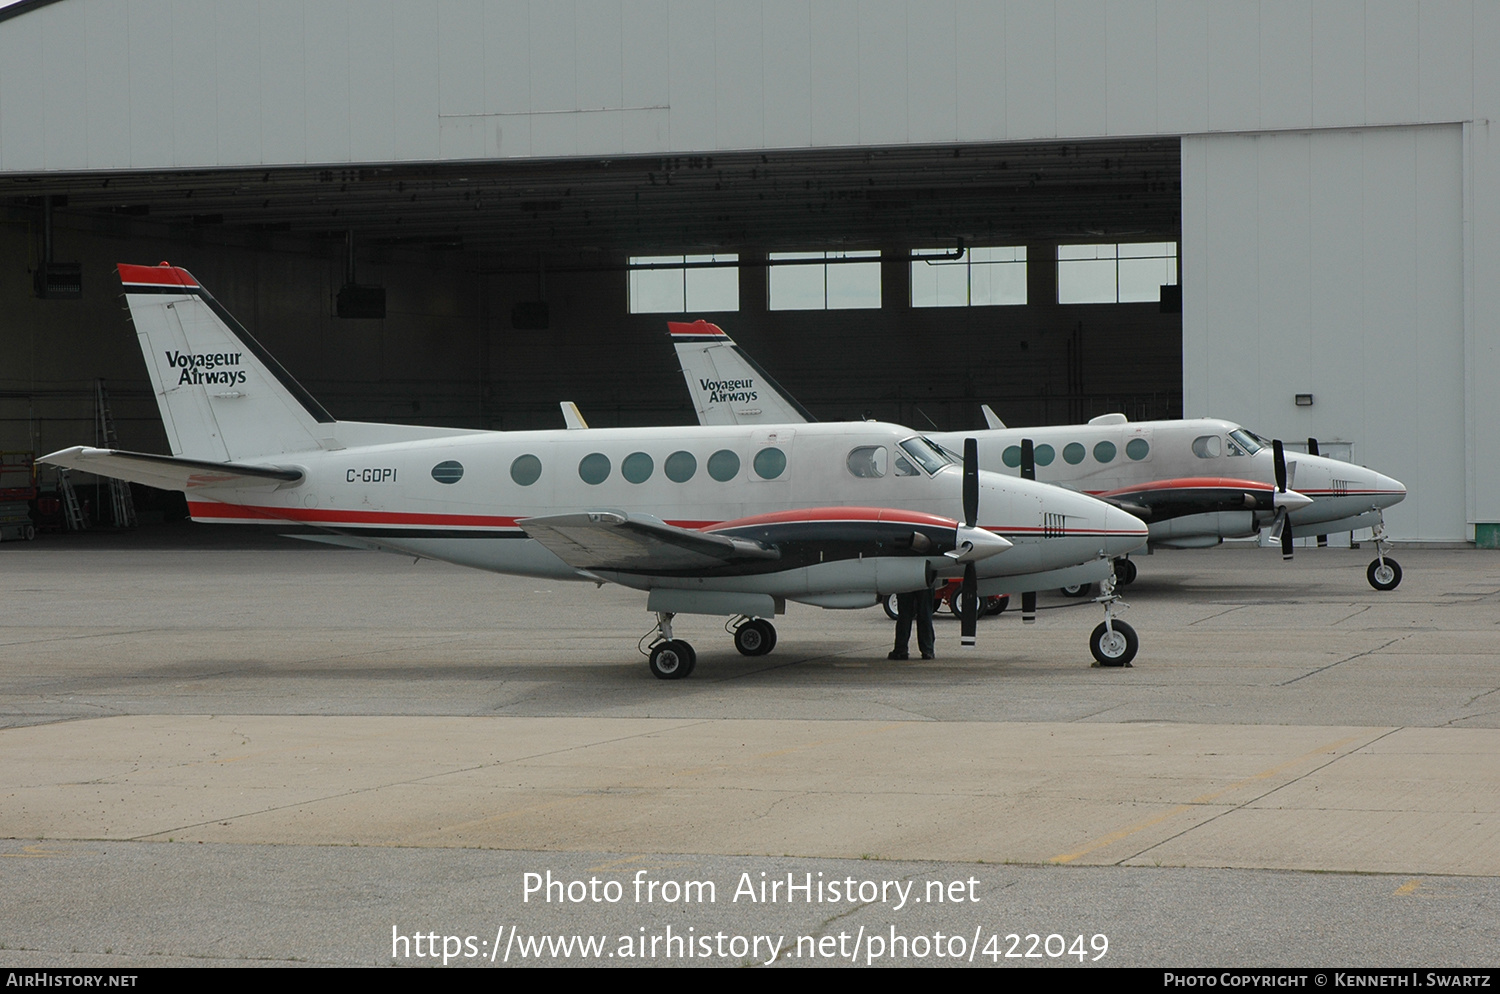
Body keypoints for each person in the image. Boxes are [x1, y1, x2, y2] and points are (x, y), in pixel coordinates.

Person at [889, 584, 936, 660]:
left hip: (905, 580)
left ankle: (901, 650)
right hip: (924, 579)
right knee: (925, 614)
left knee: (904, 614)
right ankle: (927, 650)